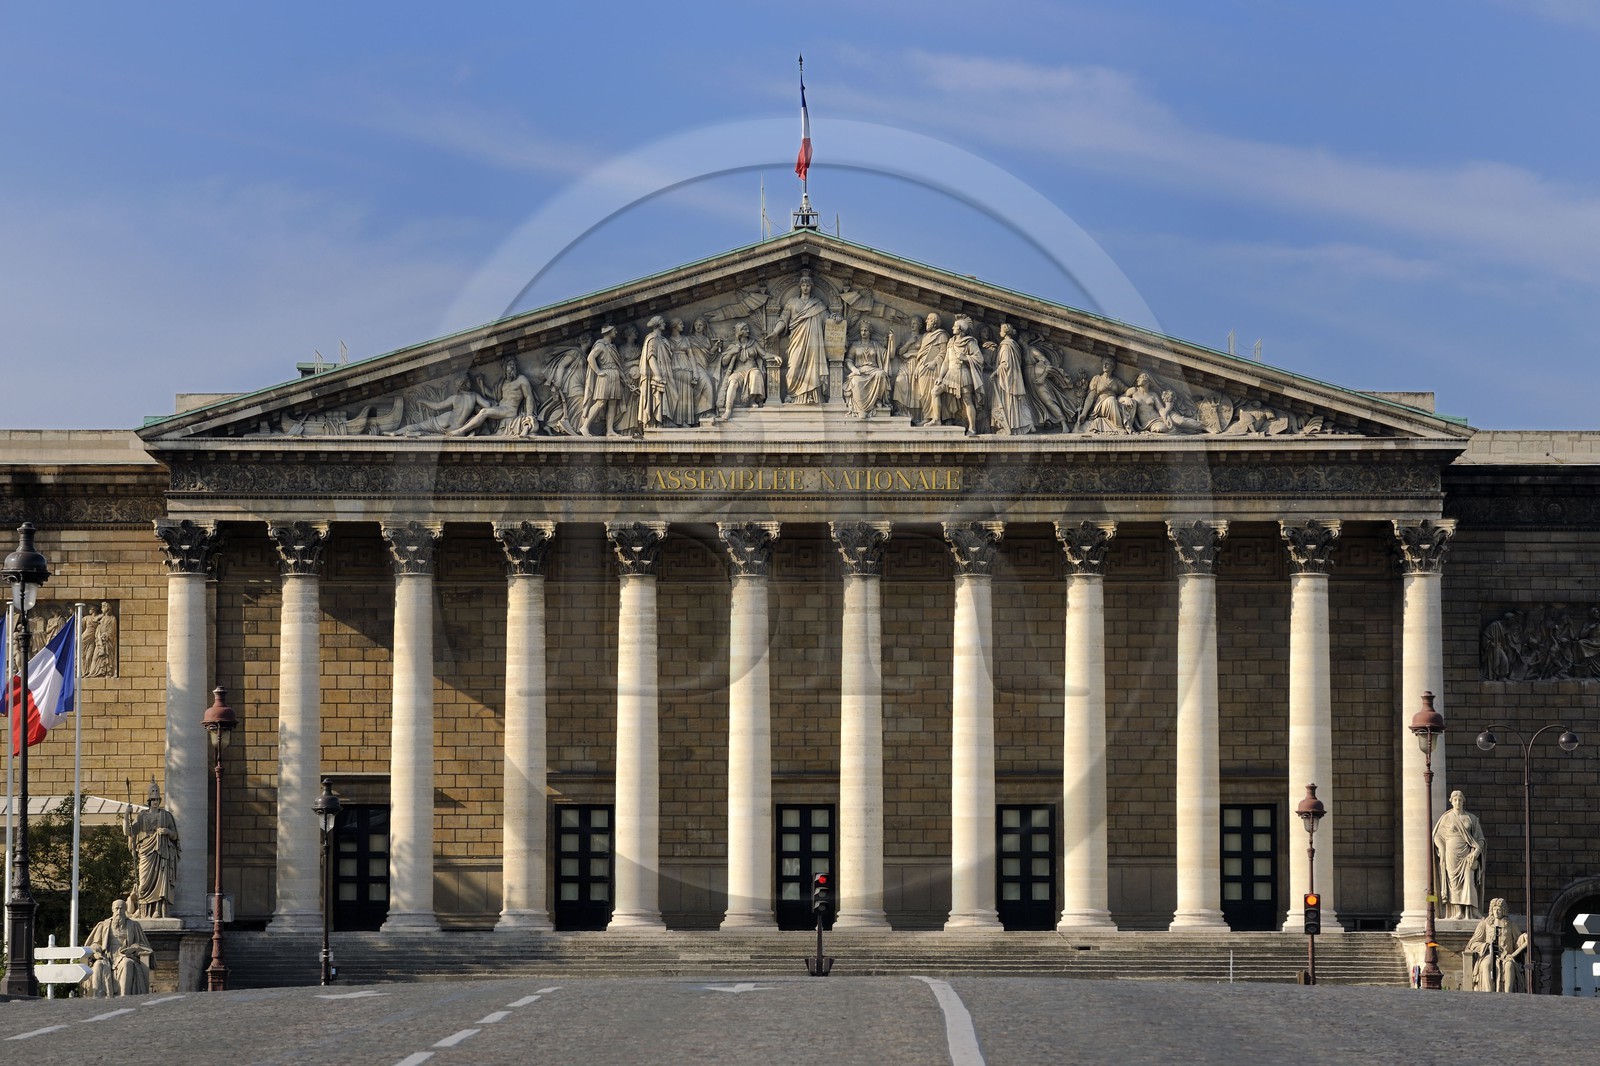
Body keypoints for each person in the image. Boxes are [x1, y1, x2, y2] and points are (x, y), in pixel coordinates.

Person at [766, 271, 833, 405]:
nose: (805, 287)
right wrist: (775, 332)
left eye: (808, 285)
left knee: (813, 367)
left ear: (811, 286)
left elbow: (828, 321)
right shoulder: (792, 302)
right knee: (793, 368)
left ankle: (813, 395)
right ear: (800, 287)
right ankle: (793, 394)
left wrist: (836, 318)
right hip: (796, 340)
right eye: (803, 285)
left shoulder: (818, 304)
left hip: (814, 342)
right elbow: (783, 319)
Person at [126, 780, 180, 920]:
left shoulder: (166, 815)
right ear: (149, 800)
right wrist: (127, 815)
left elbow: (175, 836)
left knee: (161, 881)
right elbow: (130, 831)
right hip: (146, 851)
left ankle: (157, 910)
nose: (156, 802)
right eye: (153, 799)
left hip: (161, 852)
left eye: (158, 799)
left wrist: (167, 831)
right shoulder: (142, 815)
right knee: (143, 883)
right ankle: (144, 911)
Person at [447, 357, 539, 437]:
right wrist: (482, 385)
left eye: (514, 365)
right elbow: (494, 395)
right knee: (478, 408)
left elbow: (529, 397)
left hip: (510, 410)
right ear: (504, 368)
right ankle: (477, 431)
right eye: (510, 365)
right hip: (500, 408)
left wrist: (529, 415)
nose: (512, 367)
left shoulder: (521, 380)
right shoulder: (502, 382)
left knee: (484, 411)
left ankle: (461, 431)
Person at [1433, 789, 1486, 920]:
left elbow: (1480, 839)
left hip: (1468, 854)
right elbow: (1437, 836)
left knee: (1469, 881)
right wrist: (1442, 848)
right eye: (1455, 800)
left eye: (1460, 800)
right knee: (1454, 883)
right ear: (1451, 801)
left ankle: (1473, 911)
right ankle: (1458, 912)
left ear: (1463, 801)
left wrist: (1475, 852)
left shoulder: (1471, 818)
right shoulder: (1446, 818)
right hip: (1451, 854)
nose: (1458, 802)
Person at [84, 899, 153, 997]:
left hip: (124, 955)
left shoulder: (133, 925)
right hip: (107, 955)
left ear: (125, 910)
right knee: (98, 965)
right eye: (116, 909)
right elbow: (95, 943)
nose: (119, 912)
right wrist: (97, 950)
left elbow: (142, 944)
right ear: (112, 910)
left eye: (121, 909)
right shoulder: (103, 925)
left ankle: (124, 996)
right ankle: (98, 996)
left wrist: (135, 948)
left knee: (127, 963)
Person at [935, 315, 987, 436]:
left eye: (955, 326)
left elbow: (980, 359)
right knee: (935, 392)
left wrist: (966, 358)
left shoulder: (970, 342)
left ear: (960, 328)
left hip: (963, 373)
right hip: (950, 374)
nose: (952, 327)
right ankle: (936, 420)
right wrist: (940, 377)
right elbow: (946, 362)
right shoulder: (951, 341)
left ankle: (973, 428)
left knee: (967, 400)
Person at [1466, 897, 1527, 992]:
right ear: (1491, 910)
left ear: (1503, 910)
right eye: (1494, 909)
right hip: (1488, 955)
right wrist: (1485, 945)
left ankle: (1508, 995)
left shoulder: (1511, 925)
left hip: (1506, 956)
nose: (1496, 911)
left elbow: (1517, 943)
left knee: (1509, 966)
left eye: (1499, 909)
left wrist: (1523, 937)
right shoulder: (1484, 924)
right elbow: (1473, 943)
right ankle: (1487, 992)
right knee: (1486, 965)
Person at [718, 322, 774, 418]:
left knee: (756, 374)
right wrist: (731, 352)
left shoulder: (753, 343)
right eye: (745, 329)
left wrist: (774, 356)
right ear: (740, 332)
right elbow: (724, 362)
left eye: (747, 329)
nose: (748, 331)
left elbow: (764, 354)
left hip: (751, 368)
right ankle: (728, 409)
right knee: (732, 383)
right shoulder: (733, 345)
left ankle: (752, 400)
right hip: (738, 371)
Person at [578, 325, 626, 436]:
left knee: (612, 404)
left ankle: (610, 430)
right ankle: (585, 427)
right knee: (601, 403)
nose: (616, 331)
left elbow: (617, 365)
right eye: (614, 330)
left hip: (614, 375)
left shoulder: (612, 346)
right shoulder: (601, 345)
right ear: (608, 332)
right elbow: (591, 357)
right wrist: (598, 371)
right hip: (605, 375)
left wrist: (625, 379)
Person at [989, 324, 1036, 435]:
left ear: (1005, 332)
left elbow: (1005, 364)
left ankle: (1011, 427)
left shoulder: (1006, 346)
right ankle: (1025, 424)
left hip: (1007, 380)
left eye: (1000, 330)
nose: (999, 332)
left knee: (1008, 402)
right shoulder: (1014, 346)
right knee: (1017, 404)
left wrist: (994, 373)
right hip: (1013, 379)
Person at [843, 321, 890, 419]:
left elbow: (890, 355)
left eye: (866, 330)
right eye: (861, 330)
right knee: (855, 381)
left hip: (874, 370)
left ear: (870, 332)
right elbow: (848, 360)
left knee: (881, 374)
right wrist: (854, 369)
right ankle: (861, 409)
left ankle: (878, 400)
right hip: (859, 371)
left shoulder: (875, 344)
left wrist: (892, 340)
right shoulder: (855, 345)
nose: (863, 332)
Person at [1077, 356, 1129, 433]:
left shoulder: (1116, 381)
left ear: (1113, 366)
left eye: (1107, 363)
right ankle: (1119, 427)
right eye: (1103, 363)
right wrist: (1084, 413)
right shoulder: (1097, 378)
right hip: (1100, 406)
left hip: (1114, 403)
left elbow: (1130, 390)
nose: (1104, 365)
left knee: (1112, 400)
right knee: (1111, 400)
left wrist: (1122, 397)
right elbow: (1090, 397)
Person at [83, 600, 118, 678]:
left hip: (107, 642)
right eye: (101, 607)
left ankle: (107, 672)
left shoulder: (112, 618)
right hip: (99, 641)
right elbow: (96, 624)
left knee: (106, 657)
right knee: (95, 658)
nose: (102, 609)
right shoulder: (102, 618)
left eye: (103, 607)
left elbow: (113, 631)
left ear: (107, 608)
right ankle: (92, 673)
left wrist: (106, 635)